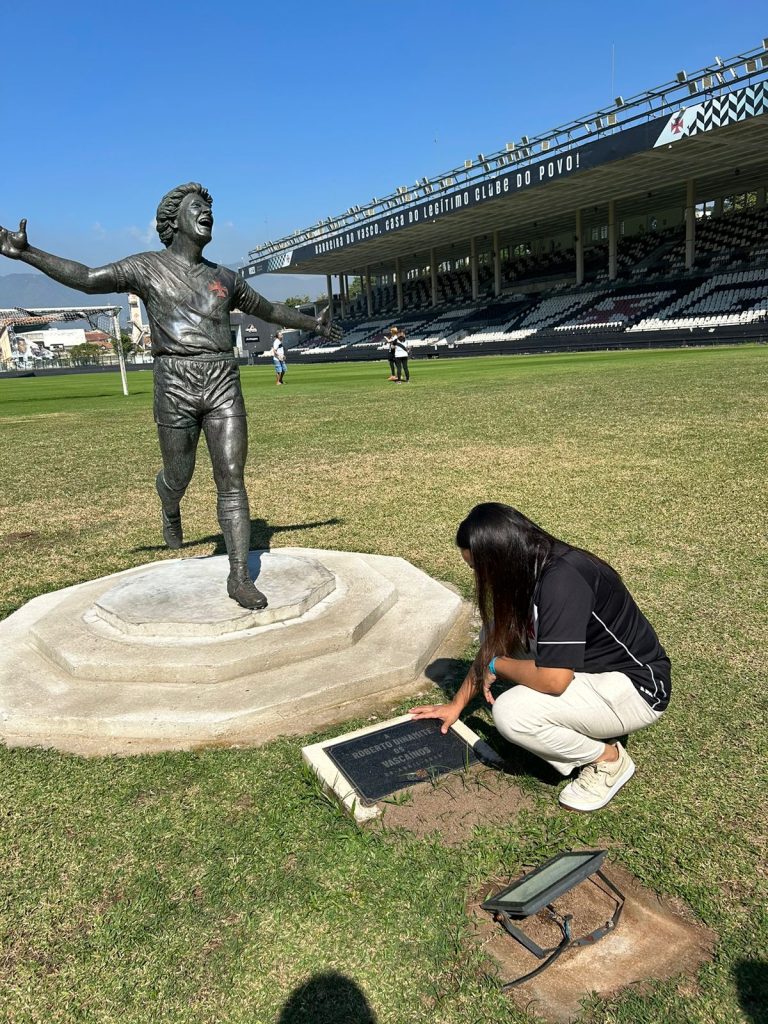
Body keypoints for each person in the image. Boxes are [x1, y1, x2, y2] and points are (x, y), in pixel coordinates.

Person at [0, 183, 342, 610]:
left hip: (222, 379)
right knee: (178, 474)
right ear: (173, 220)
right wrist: (26, 253)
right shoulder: (146, 268)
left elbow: (269, 311)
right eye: (197, 207)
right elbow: (88, 280)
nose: (207, 214)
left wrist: (315, 325)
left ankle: (239, 577)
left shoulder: (225, 278)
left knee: (231, 478)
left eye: (210, 209)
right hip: (174, 381)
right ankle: (169, 501)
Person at [411, 503, 671, 812]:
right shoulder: (530, 562)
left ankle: (608, 760)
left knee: (512, 714)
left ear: (498, 559)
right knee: (492, 634)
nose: (476, 575)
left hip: (637, 689)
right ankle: (591, 721)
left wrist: (498, 667)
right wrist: (456, 705)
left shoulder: (563, 581)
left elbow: (554, 680)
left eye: (476, 568)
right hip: (593, 673)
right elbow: (496, 641)